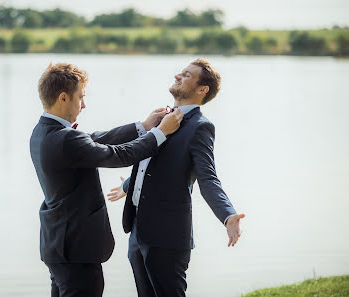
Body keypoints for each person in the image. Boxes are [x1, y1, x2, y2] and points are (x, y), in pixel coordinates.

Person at [29, 62, 183, 297]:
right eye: (80, 97)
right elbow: (117, 155)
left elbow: (95, 140)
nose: (83, 104)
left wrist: (142, 126)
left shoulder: (42, 132)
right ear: (62, 98)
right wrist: (160, 133)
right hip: (77, 250)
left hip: (58, 247)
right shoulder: (66, 139)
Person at [107, 58, 245, 297]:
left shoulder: (200, 127)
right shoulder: (160, 118)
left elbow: (207, 177)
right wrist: (129, 186)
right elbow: (156, 163)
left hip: (167, 237)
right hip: (138, 230)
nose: (177, 77)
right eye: (181, 72)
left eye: (187, 75)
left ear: (203, 90)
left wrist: (227, 215)